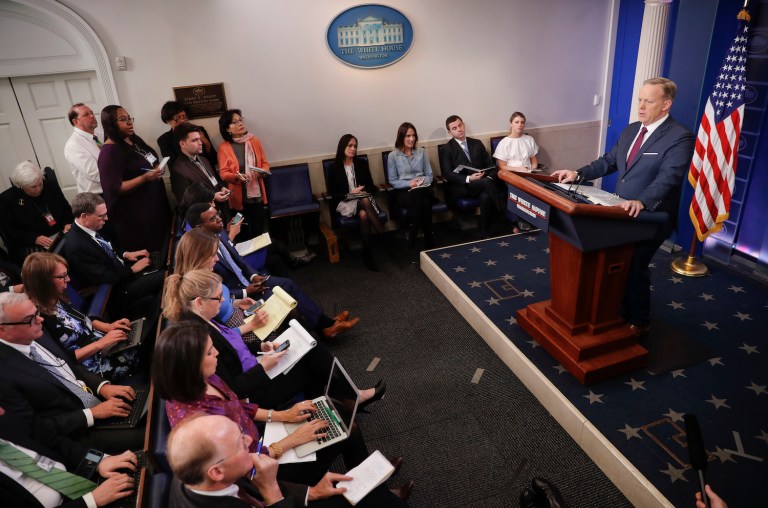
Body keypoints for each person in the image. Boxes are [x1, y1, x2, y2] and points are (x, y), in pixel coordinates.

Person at [153, 322, 390, 487]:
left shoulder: (204, 378)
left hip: (261, 441)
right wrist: (293, 440)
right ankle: (370, 490)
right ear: (189, 365)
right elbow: (244, 464)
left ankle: (369, 488)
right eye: (208, 352)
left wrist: (283, 415)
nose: (216, 352)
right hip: (259, 469)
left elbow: (239, 407)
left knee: (337, 421)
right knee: (346, 429)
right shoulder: (198, 420)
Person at [551, 77, 695, 334]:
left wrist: (642, 201)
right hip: (620, 212)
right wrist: (578, 173)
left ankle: (640, 320)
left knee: (633, 264)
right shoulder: (631, 130)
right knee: (612, 261)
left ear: (666, 105)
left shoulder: (679, 137)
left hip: (652, 214)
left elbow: (668, 178)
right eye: (640, 99)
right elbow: (608, 162)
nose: (640, 106)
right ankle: (612, 309)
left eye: (648, 101)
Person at [166, 414, 412, 507]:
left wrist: (312, 492)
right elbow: (265, 492)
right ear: (217, 472)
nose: (249, 442)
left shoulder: (201, 473)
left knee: (359, 490)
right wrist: (271, 489)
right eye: (241, 443)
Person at [0, 292, 143, 453]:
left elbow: (68, 366)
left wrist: (102, 387)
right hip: (79, 433)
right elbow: (37, 429)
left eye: (37, 313)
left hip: (97, 400)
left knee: (149, 402)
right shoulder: (4, 374)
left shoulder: (35, 330)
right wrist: (91, 414)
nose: (40, 320)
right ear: (3, 330)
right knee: (150, 432)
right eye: (30, 319)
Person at [177, 225, 358, 339]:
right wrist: (246, 300)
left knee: (284, 284)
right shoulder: (197, 287)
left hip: (243, 305)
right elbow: (219, 333)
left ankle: (324, 326)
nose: (215, 259)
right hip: (242, 323)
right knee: (288, 300)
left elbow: (228, 285)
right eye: (212, 256)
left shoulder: (207, 274)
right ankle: (324, 328)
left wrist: (239, 301)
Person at [21, 252, 140, 382]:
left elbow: (85, 320)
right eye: (62, 276)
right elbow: (64, 360)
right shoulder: (37, 320)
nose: (68, 279)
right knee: (145, 354)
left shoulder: (56, 297)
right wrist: (101, 343)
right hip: (93, 369)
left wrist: (108, 327)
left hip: (104, 347)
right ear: (44, 283)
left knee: (142, 338)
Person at [0, 404, 136, 508]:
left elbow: (50, 438)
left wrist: (98, 461)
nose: (2, 411)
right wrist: (91, 501)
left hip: (81, 479)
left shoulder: (5, 422)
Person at [61, 192, 164, 321]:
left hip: (122, 272)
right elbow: (103, 277)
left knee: (162, 260)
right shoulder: (76, 245)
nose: (106, 219)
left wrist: (126, 254)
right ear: (84, 217)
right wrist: (132, 270)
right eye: (101, 216)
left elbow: (108, 248)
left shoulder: (90, 227)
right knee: (165, 276)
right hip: (116, 289)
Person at [98, 105, 171, 252]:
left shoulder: (133, 140)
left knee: (165, 244)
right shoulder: (109, 152)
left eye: (129, 118)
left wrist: (156, 166)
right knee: (152, 250)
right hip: (136, 215)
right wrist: (145, 178)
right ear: (111, 124)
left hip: (154, 204)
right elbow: (116, 188)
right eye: (123, 119)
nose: (129, 122)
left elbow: (150, 157)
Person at [440, 115, 503, 238]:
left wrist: (487, 175)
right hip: (462, 187)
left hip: (482, 184)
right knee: (487, 184)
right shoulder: (446, 149)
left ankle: (485, 231)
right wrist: (469, 178)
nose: (459, 129)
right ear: (449, 131)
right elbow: (447, 173)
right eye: (454, 128)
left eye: (460, 125)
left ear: (463, 125)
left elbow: (491, 166)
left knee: (485, 196)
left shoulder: (476, 143)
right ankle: (504, 213)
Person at [328, 134, 385, 271]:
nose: (353, 149)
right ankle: (385, 238)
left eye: (355, 146)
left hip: (362, 200)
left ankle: (367, 254)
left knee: (363, 215)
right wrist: (351, 194)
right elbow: (333, 195)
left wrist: (362, 190)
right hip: (345, 202)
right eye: (349, 145)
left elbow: (371, 186)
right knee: (364, 202)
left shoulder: (361, 164)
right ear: (342, 146)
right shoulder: (334, 168)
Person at [0, 161, 73, 264]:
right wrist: (34, 239)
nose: (39, 189)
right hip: (32, 243)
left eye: (40, 184)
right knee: (50, 263)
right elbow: (10, 230)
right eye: (33, 187)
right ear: (21, 186)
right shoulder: (7, 199)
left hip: (60, 234)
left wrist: (67, 223)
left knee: (80, 249)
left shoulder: (50, 186)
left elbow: (66, 209)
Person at [217, 109, 270, 239]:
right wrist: (237, 177)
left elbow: (264, 163)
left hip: (256, 196)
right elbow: (223, 173)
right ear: (227, 129)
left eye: (240, 120)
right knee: (240, 232)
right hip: (237, 199)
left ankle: (260, 257)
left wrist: (262, 171)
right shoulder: (224, 147)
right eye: (234, 122)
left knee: (259, 231)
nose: (240, 123)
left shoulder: (254, 141)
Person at [387, 122, 434, 249]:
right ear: (401, 137)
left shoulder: (421, 152)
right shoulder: (393, 156)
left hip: (423, 188)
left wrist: (420, 182)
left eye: (413, 135)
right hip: (405, 192)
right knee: (425, 204)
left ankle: (413, 232)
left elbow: (430, 176)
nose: (411, 139)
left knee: (418, 193)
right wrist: (410, 183)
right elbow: (393, 181)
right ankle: (429, 239)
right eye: (408, 136)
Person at [493, 112, 540, 233]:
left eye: (522, 122)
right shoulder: (504, 142)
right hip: (510, 174)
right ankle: (517, 221)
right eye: (517, 122)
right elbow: (502, 166)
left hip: (528, 173)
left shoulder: (529, 139)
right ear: (511, 124)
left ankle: (531, 219)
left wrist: (532, 170)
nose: (520, 125)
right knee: (519, 189)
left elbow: (534, 161)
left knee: (537, 188)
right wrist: (518, 169)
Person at [169, 122, 230, 205]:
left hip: (220, 210)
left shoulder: (204, 159)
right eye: (194, 140)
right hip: (204, 214)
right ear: (182, 144)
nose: (200, 143)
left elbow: (212, 181)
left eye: (199, 139)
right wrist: (212, 197)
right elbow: (185, 201)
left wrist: (221, 187)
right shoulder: (178, 169)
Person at [157, 101, 217, 169]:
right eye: (177, 118)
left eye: (184, 117)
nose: (182, 121)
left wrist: (206, 142)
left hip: (209, 172)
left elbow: (214, 159)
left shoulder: (199, 130)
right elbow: (173, 165)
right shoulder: (164, 139)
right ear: (168, 121)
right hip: (185, 177)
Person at [63, 103, 104, 194]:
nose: (92, 116)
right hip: (97, 197)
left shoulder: (101, 135)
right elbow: (95, 174)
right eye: (86, 114)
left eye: (92, 113)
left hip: (115, 188)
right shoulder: (73, 145)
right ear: (75, 122)